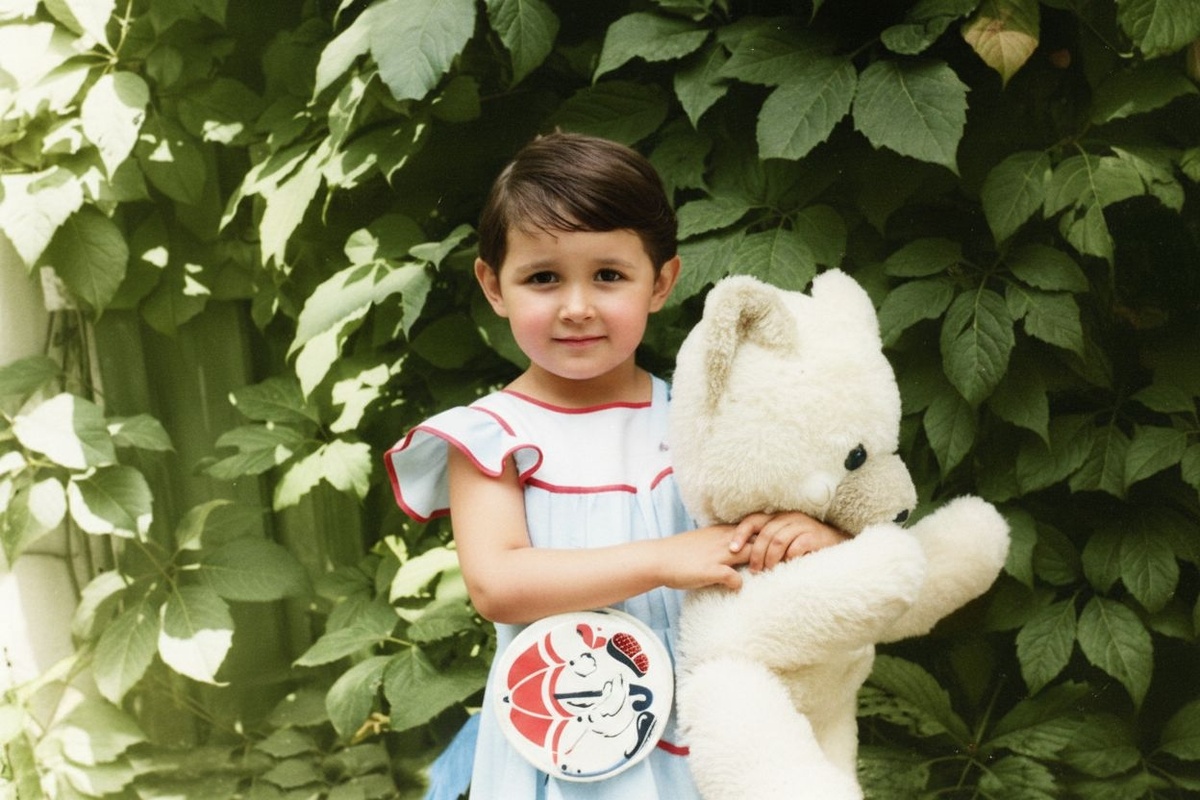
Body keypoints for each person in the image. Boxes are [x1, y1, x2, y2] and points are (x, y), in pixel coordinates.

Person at [384, 132, 847, 799]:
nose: (577, 307)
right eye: (543, 278)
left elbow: (769, 537)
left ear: (660, 282)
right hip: (567, 740)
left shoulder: (707, 419)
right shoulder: (492, 437)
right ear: (493, 285)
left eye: (608, 275)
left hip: (705, 734)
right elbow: (497, 583)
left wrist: (810, 539)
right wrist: (662, 559)